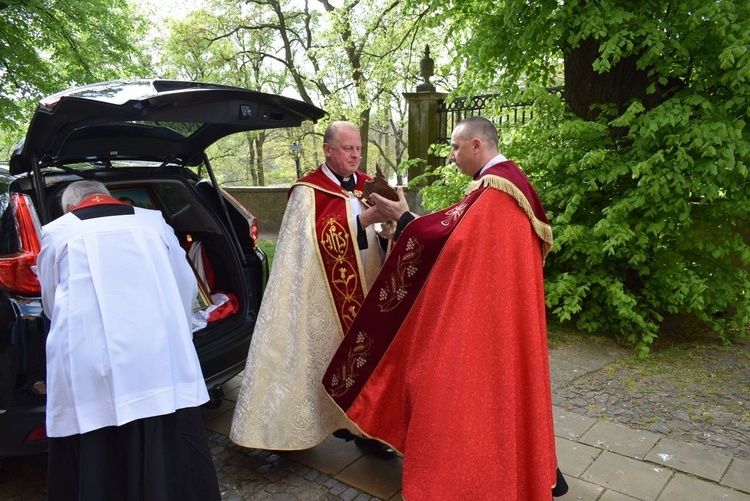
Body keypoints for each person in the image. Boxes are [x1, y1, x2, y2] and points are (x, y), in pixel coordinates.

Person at [323, 116, 568, 499]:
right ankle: (526, 466)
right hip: (501, 315)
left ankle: (468, 476)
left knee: (445, 386)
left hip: (482, 321)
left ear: (477, 146)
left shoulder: (497, 192)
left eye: (456, 148)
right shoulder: (510, 187)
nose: (452, 156)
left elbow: (449, 241)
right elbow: (461, 237)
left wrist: (402, 218)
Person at [37, 180, 220, 501]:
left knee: (101, 448)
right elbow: (185, 287)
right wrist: (172, 327)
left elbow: (52, 304)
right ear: (107, 196)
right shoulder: (154, 222)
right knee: (168, 441)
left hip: (93, 368)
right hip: (158, 358)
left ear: (70, 207)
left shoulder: (58, 232)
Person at [230, 121, 394, 456]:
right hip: (322, 301)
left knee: (368, 361)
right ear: (328, 149)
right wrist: (364, 220)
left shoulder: (367, 185)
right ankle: (303, 428)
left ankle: (367, 431)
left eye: (359, 148)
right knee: (318, 362)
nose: (355, 155)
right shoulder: (307, 192)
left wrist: (388, 224)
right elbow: (304, 246)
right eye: (348, 148)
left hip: (367, 287)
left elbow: (382, 234)